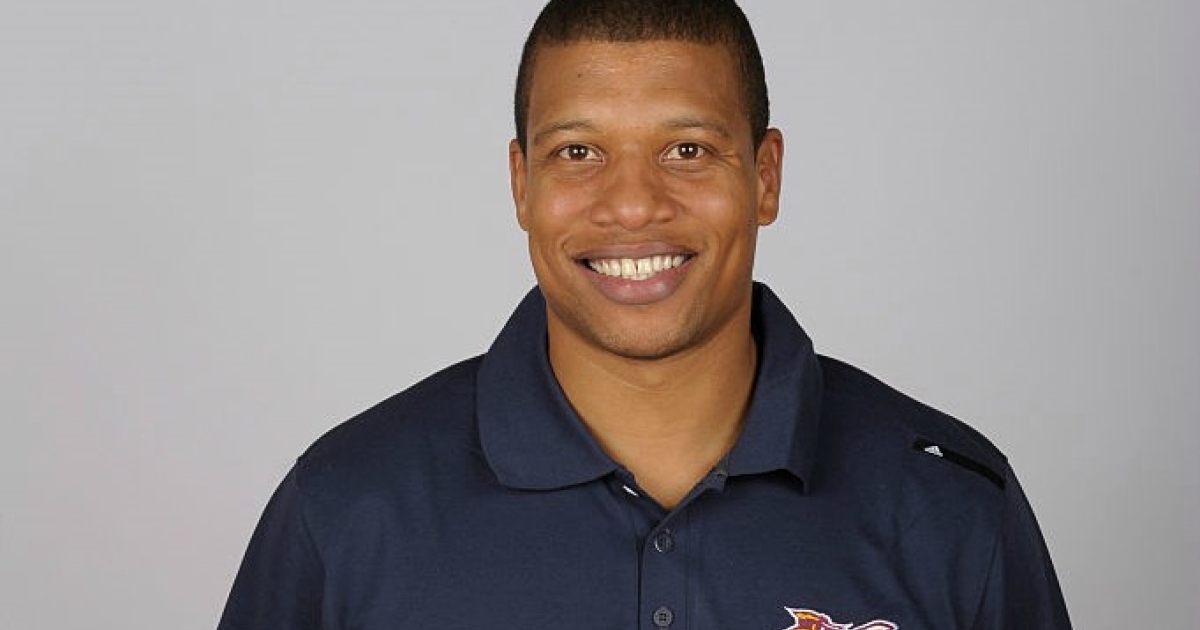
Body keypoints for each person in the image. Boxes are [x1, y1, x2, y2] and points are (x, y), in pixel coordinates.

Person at [218, 1, 1072, 628]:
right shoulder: (345, 509)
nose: (632, 204)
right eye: (578, 152)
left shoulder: (952, 509)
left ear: (765, 177)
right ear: (521, 184)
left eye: (687, 150)